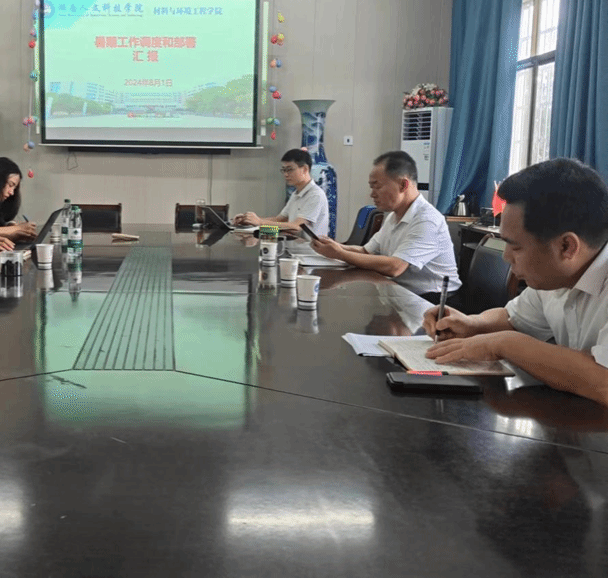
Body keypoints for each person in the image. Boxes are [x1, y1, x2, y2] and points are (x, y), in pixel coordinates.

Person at [424, 158, 608, 406]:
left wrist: (503, 344)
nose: (506, 257)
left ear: (566, 246)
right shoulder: (555, 277)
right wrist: (472, 324)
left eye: (516, 247)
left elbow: (604, 383)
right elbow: (514, 320)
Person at [309, 150, 460, 302]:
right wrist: (334, 246)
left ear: (403, 185)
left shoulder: (427, 220)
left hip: (435, 301)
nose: (372, 194)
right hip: (401, 292)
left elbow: (395, 267)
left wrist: (339, 253)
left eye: (377, 186)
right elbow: (366, 251)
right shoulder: (394, 216)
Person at [232, 148, 329, 236]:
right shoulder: (296, 193)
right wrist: (249, 221)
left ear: (304, 169)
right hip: (292, 245)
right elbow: (279, 220)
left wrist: (260, 222)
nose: (286, 174)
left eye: (289, 170)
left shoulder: (315, 195)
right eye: (283, 170)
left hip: (309, 249)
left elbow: (296, 227)